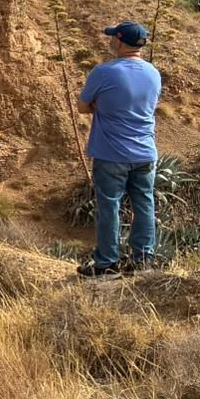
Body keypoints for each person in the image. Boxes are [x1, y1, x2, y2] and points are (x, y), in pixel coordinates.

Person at [77, 21, 162, 279]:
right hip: (146, 151)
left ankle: (107, 264)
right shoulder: (153, 73)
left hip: (111, 153)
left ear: (121, 42)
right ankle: (143, 260)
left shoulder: (104, 72)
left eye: (114, 37)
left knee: (109, 207)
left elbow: (82, 107)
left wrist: (99, 107)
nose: (110, 40)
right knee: (145, 204)